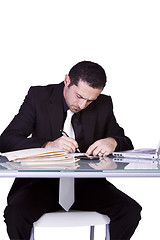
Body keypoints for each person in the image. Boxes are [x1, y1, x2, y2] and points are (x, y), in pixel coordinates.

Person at [0, 61, 142, 240]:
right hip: (40, 184)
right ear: (67, 80)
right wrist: (48, 145)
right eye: (79, 96)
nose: (82, 105)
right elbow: (6, 140)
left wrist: (113, 141)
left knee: (130, 211)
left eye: (90, 100)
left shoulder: (104, 104)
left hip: (87, 184)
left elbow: (126, 142)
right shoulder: (39, 96)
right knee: (15, 215)